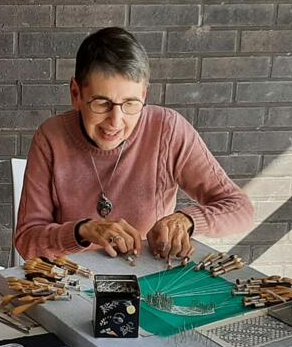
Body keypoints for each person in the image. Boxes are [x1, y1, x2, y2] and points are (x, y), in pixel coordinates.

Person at [14, 27, 254, 261]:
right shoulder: (51, 137)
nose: (115, 121)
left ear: (144, 96)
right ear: (76, 94)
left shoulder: (168, 129)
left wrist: (186, 220)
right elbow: (27, 241)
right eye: (102, 103)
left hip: (150, 278)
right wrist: (82, 231)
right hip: (70, 278)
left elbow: (240, 209)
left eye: (130, 104)